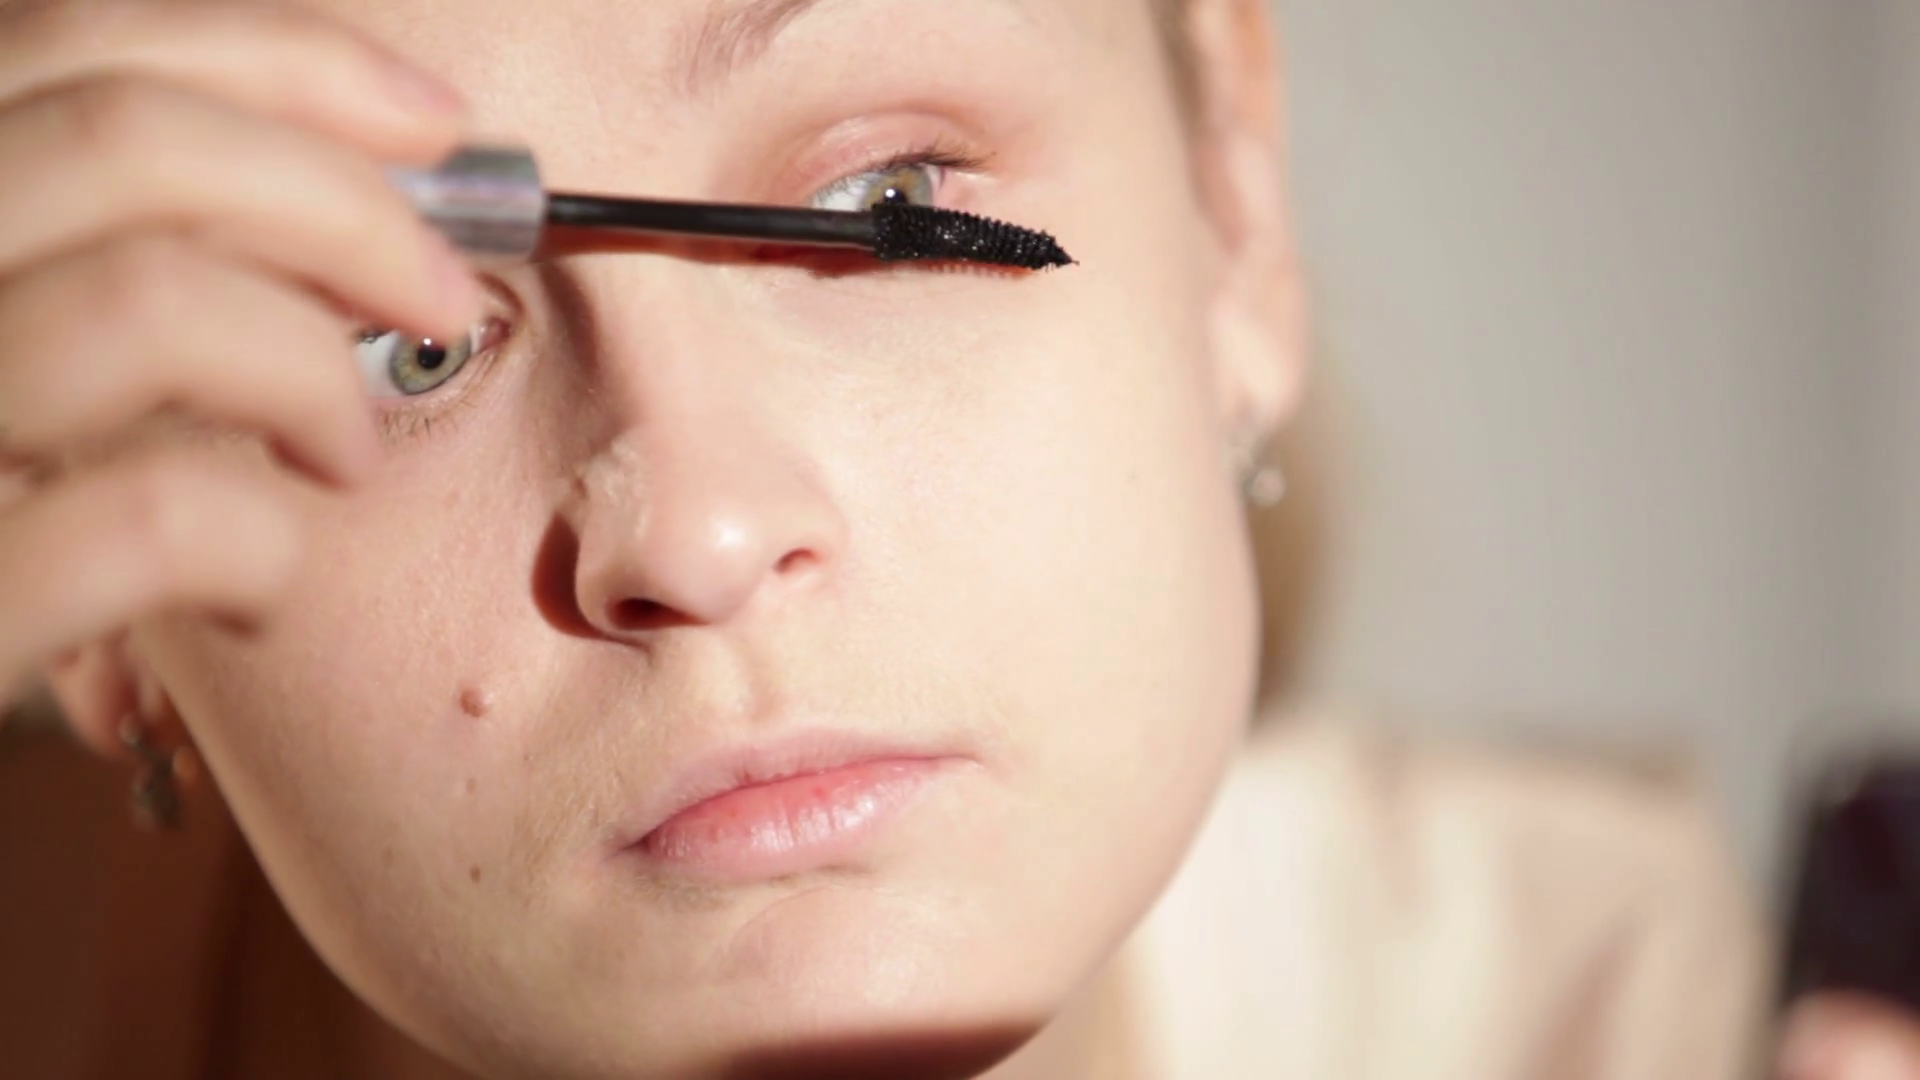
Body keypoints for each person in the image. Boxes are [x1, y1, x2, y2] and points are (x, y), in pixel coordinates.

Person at [0, 0, 1900, 1076]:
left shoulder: (1660, 1018)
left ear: (1233, 209)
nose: (700, 529)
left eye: (885, 203)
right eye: (401, 340)